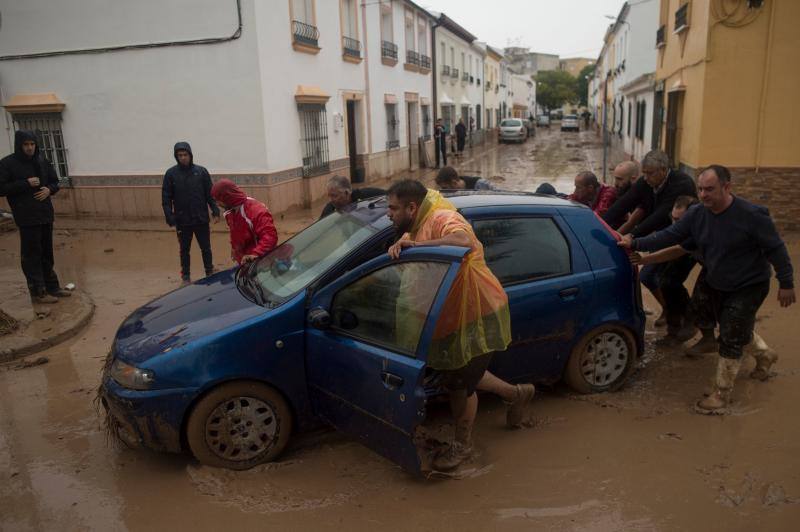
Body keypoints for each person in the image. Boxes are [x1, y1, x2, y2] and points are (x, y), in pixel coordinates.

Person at [619, 165, 795, 415]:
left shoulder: (753, 215)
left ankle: (721, 394)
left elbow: (776, 249)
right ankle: (765, 354)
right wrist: (635, 242)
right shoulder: (697, 214)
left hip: (749, 284)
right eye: (700, 189)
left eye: (709, 189)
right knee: (717, 318)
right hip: (716, 279)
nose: (703, 194)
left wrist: (786, 283)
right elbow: (671, 235)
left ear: (727, 187)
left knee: (732, 333)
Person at [386, 179, 535, 470]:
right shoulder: (417, 222)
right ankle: (518, 394)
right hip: (452, 315)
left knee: (459, 384)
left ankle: (463, 447)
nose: (388, 214)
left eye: (392, 208)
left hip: (478, 312)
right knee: (462, 370)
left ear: (411, 207)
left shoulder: (442, 217)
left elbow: (464, 241)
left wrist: (416, 244)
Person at [605, 150, 697, 325]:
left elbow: (660, 216)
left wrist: (633, 237)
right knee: (647, 276)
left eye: (650, 173)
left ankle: (688, 318)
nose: (645, 178)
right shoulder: (646, 182)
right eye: (644, 173)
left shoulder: (682, 184)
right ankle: (670, 310)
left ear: (663, 170)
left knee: (670, 281)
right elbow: (624, 204)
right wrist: (600, 224)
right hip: (661, 236)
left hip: (684, 238)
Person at [0, 130, 70, 304]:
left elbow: (55, 181)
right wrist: (25, 183)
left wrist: (49, 189)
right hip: (26, 216)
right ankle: (38, 292)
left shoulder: (41, 160)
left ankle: (52, 287)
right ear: (19, 145)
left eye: (32, 144)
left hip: (45, 214)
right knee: (32, 254)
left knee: (47, 252)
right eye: (26, 145)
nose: (30, 148)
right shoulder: (8, 164)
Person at [630, 196, 701, 346]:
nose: (675, 225)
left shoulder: (699, 229)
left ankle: (693, 323)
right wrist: (640, 254)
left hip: (721, 266)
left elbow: (678, 250)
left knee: (673, 283)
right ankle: (674, 325)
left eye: (679, 221)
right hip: (681, 247)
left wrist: (639, 250)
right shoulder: (671, 225)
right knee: (662, 280)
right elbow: (666, 241)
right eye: (673, 219)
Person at [162, 141, 220, 285]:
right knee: (184, 249)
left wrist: (215, 210)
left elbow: (210, 193)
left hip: (200, 218)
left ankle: (209, 271)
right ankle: (186, 276)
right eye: (180, 155)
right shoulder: (171, 174)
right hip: (182, 220)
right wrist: (169, 215)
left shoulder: (201, 172)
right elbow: (166, 197)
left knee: (206, 248)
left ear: (190, 155)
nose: (183, 157)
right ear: (176, 157)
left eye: (185, 154)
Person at [210, 179, 278, 265]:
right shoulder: (229, 212)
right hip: (244, 261)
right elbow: (235, 234)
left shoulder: (256, 211)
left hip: (259, 261)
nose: (217, 204)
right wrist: (234, 249)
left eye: (217, 200)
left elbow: (270, 237)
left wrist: (255, 254)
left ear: (226, 196)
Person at [319, 175, 385, 219]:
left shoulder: (366, 195)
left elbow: (391, 195)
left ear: (347, 193)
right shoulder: (329, 209)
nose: (331, 199)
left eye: (334, 196)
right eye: (329, 196)